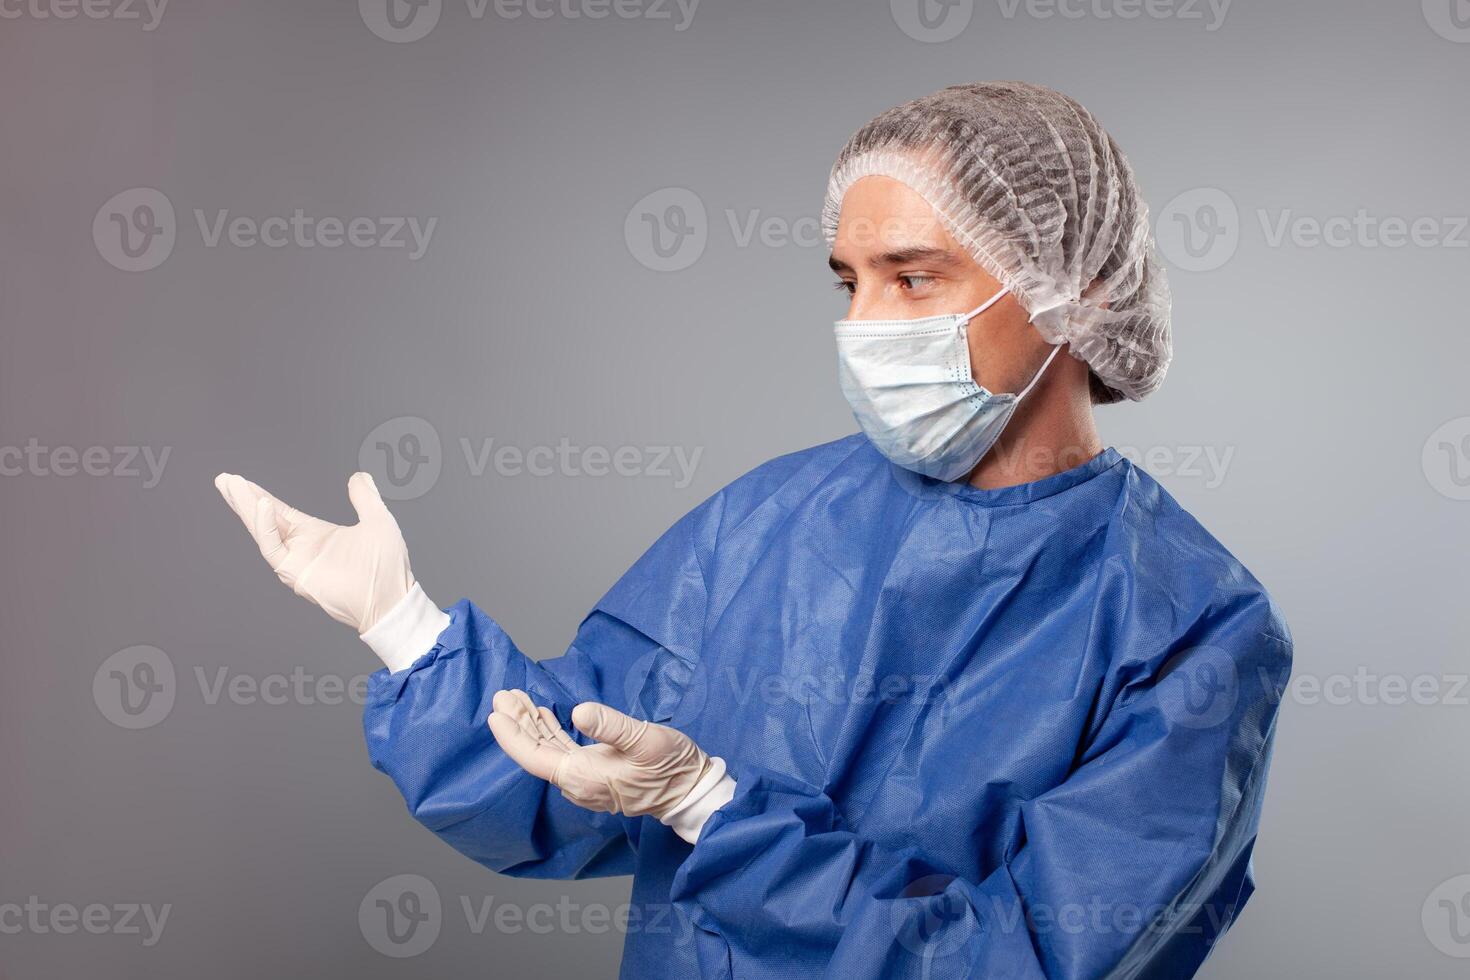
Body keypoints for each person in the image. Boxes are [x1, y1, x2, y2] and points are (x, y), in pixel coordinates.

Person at [216, 81, 1291, 979]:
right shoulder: (775, 520)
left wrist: (714, 807)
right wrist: (401, 623)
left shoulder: (1192, 626)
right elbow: (566, 778)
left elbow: (1031, 958)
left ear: (1078, 289)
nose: (864, 325)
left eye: (913, 278)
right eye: (849, 281)